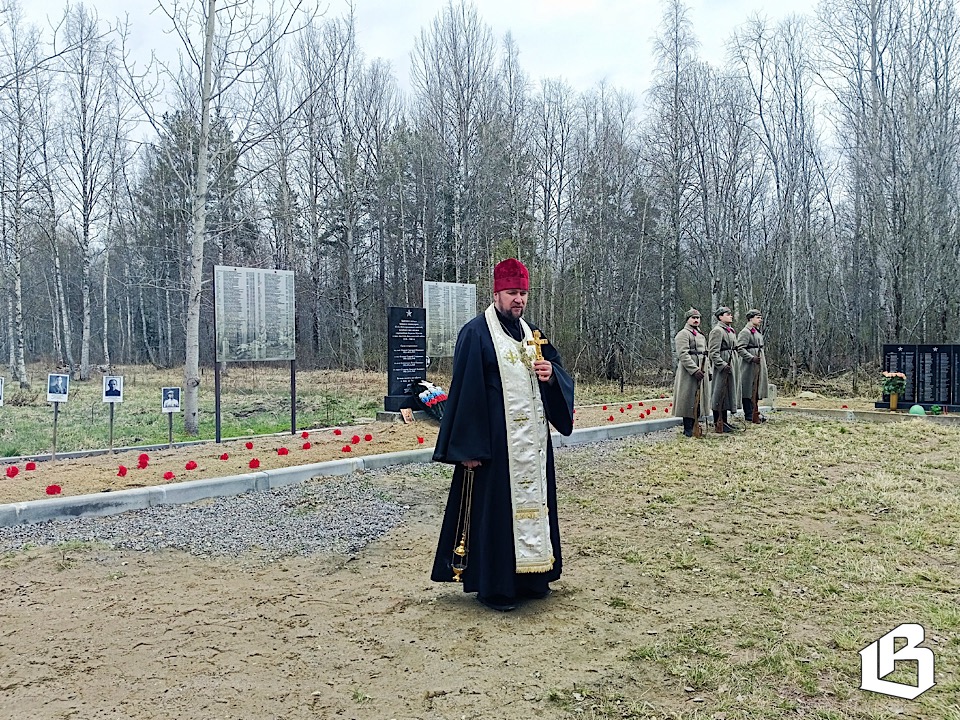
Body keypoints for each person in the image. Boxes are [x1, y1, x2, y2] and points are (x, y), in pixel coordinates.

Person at [431, 258, 575, 612]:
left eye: (523, 294)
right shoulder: (476, 332)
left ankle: (533, 577)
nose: (519, 300)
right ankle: (496, 587)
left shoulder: (533, 334)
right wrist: (467, 447)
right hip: (496, 446)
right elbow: (465, 391)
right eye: (512, 293)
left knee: (535, 509)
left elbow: (558, 372)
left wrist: (551, 375)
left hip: (532, 446)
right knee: (495, 515)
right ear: (497, 293)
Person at [672, 308, 711, 437]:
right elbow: (683, 354)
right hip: (689, 371)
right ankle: (688, 427)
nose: (696, 320)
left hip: (702, 366)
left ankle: (696, 423)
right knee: (688, 397)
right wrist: (694, 370)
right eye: (693, 318)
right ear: (688, 319)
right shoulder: (683, 334)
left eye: (698, 318)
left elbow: (706, 353)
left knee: (699, 398)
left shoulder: (700, 335)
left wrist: (708, 370)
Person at [708, 306, 739, 433]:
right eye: (727, 314)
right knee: (719, 392)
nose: (730, 316)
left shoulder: (730, 330)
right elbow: (713, 352)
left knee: (727, 393)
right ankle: (718, 422)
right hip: (722, 366)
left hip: (731, 363)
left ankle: (725, 422)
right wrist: (722, 365)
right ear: (720, 317)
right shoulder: (717, 331)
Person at [736, 309, 769, 423]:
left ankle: (755, 411)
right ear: (751, 318)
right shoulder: (746, 332)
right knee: (748, 388)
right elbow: (740, 348)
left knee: (756, 387)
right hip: (748, 365)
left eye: (760, 317)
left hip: (758, 363)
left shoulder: (757, 332)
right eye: (757, 317)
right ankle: (749, 414)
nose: (760, 320)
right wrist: (751, 358)